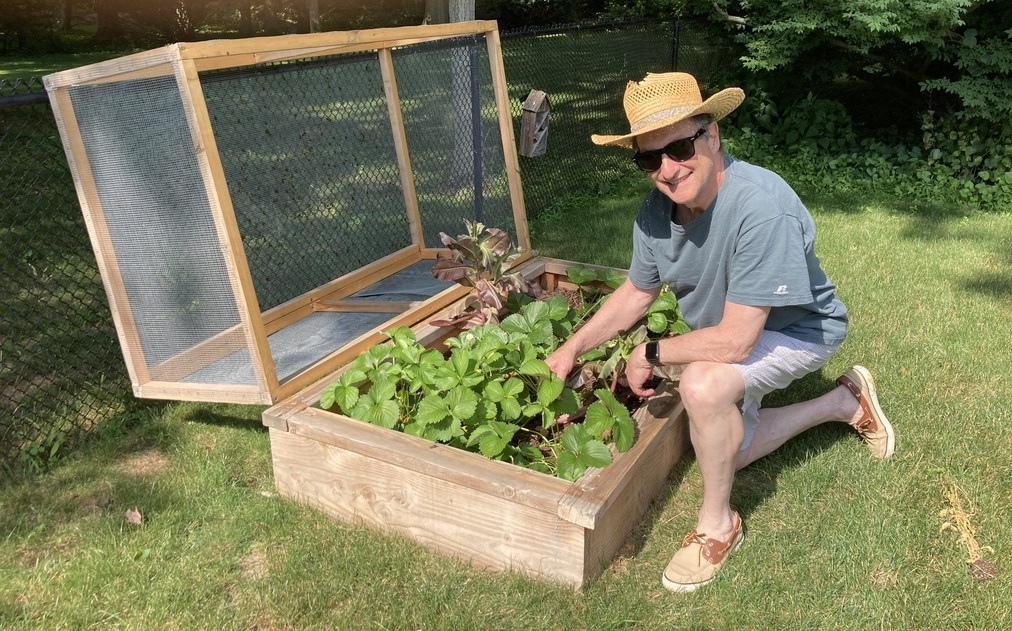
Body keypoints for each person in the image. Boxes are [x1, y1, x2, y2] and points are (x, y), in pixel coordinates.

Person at [545, 72, 895, 593]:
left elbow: (736, 342)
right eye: (649, 158)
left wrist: (651, 351)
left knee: (703, 387)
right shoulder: (655, 214)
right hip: (734, 333)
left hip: (801, 331)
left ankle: (718, 527)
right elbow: (638, 292)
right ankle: (843, 403)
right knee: (726, 449)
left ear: (713, 137)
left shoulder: (760, 207)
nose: (666, 169)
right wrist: (572, 347)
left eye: (680, 147)